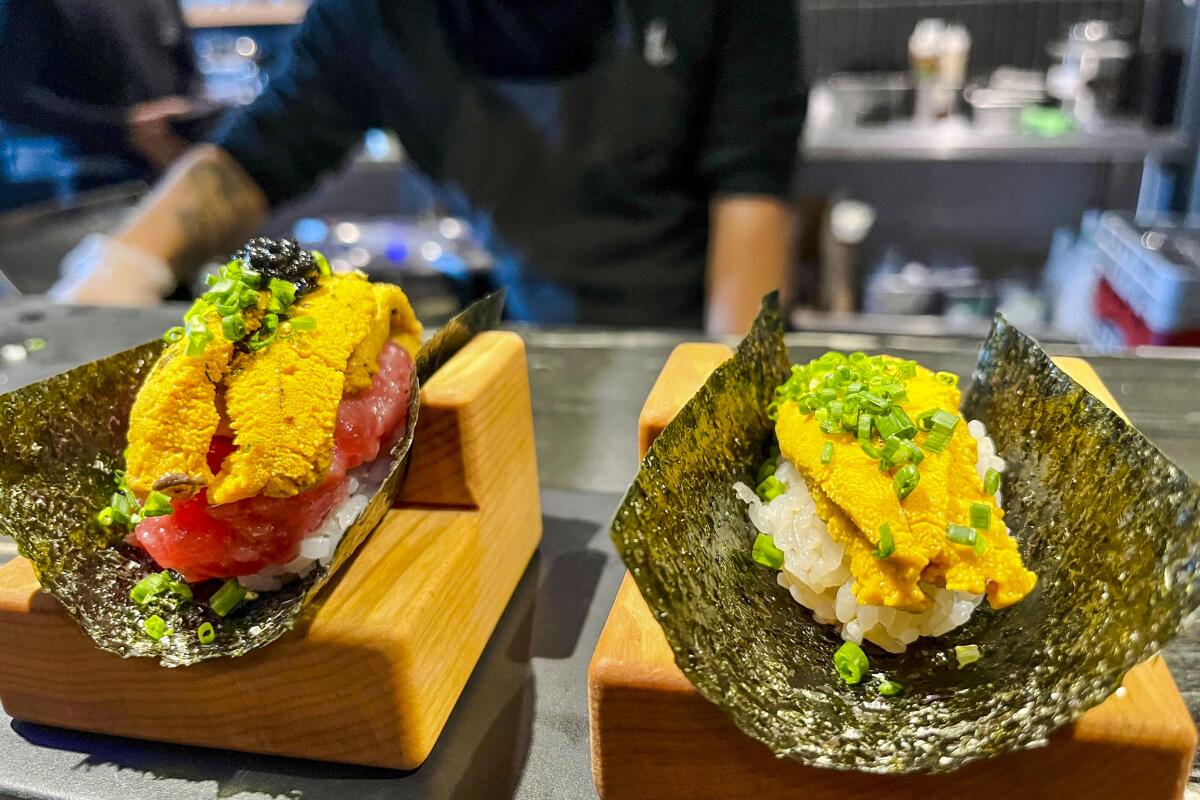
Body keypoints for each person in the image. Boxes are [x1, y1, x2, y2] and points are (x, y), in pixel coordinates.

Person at [51, 0, 806, 334]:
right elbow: (256, 156)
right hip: (535, 333)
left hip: (697, 322)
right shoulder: (374, 15)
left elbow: (752, 189)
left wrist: (723, 383)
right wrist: (121, 268)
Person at [0, 0, 200, 179]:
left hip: (176, 164)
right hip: (95, 173)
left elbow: (188, 72)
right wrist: (122, 128)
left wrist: (185, 114)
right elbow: (12, 98)